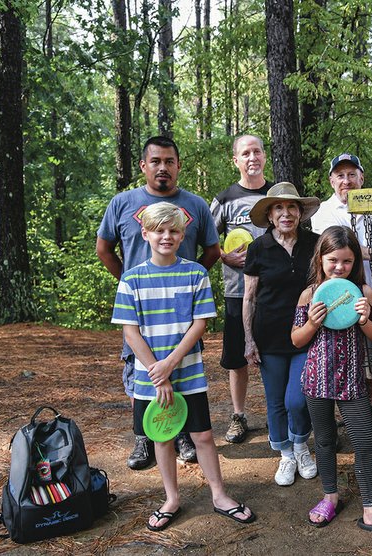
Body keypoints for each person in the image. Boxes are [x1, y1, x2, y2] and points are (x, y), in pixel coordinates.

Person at [111, 202, 254, 531]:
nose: (166, 236)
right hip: (150, 378)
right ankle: (172, 499)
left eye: (173, 230)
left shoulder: (195, 273)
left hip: (188, 374)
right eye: (159, 230)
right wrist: (156, 373)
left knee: (202, 436)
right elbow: (130, 332)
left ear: (182, 234)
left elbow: (200, 324)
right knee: (163, 438)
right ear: (145, 234)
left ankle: (219, 495)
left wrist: (171, 364)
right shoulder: (131, 280)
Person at [97, 136, 219, 470]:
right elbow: (104, 248)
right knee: (139, 369)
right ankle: (144, 435)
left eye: (169, 161)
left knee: (180, 370)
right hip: (141, 308)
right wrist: (127, 281)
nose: (162, 167)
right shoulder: (122, 203)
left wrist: (190, 282)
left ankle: (180, 432)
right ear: (143, 166)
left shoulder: (194, 205)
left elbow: (212, 250)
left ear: (178, 166)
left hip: (180, 313)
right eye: (155, 161)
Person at [291, 226, 372, 539]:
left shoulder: (363, 292)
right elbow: (296, 339)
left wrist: (365, 320)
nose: (339, 267)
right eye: (333, 260)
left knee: (364, 442)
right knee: (326, 440)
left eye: (346, 261)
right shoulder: (310, 294)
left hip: (352, 381)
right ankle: (330, 496)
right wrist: (313, 323)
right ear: (321, 259)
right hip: (317, 380)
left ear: (355, 261)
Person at [311, 153, 372, 448]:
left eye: (352, 174)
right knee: (335, 362)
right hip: (336, 304)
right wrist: (367, 252)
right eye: (340, 175)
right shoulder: (323, 212)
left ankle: (367, 419)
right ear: (331, 180)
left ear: (362, 178)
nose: (346, 181)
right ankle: (336, 423)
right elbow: (334, 244)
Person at [243, 182, 320, 486]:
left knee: (298, 399)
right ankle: (286, 454)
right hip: (269, 335)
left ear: (300, 213)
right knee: (275, 400)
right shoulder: (258, 248)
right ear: (270, 215)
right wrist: (248, 340)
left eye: (291, 207)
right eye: (278, 208)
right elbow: (249, 297)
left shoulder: (315, 243)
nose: (285, 213)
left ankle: (301, 445)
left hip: (306, 332)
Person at [210, 134, 273, 444]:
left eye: (257, 151)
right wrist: (223, 255)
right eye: (245, 153)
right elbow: (206, 239)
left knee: (276, 355)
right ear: (235, 160)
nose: (252, 157)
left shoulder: (276, 195)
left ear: (264, 156)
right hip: (237, 293)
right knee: (237, 358)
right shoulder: (224, 199)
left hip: (274, 293)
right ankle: (239, 416)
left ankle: (280, 415)